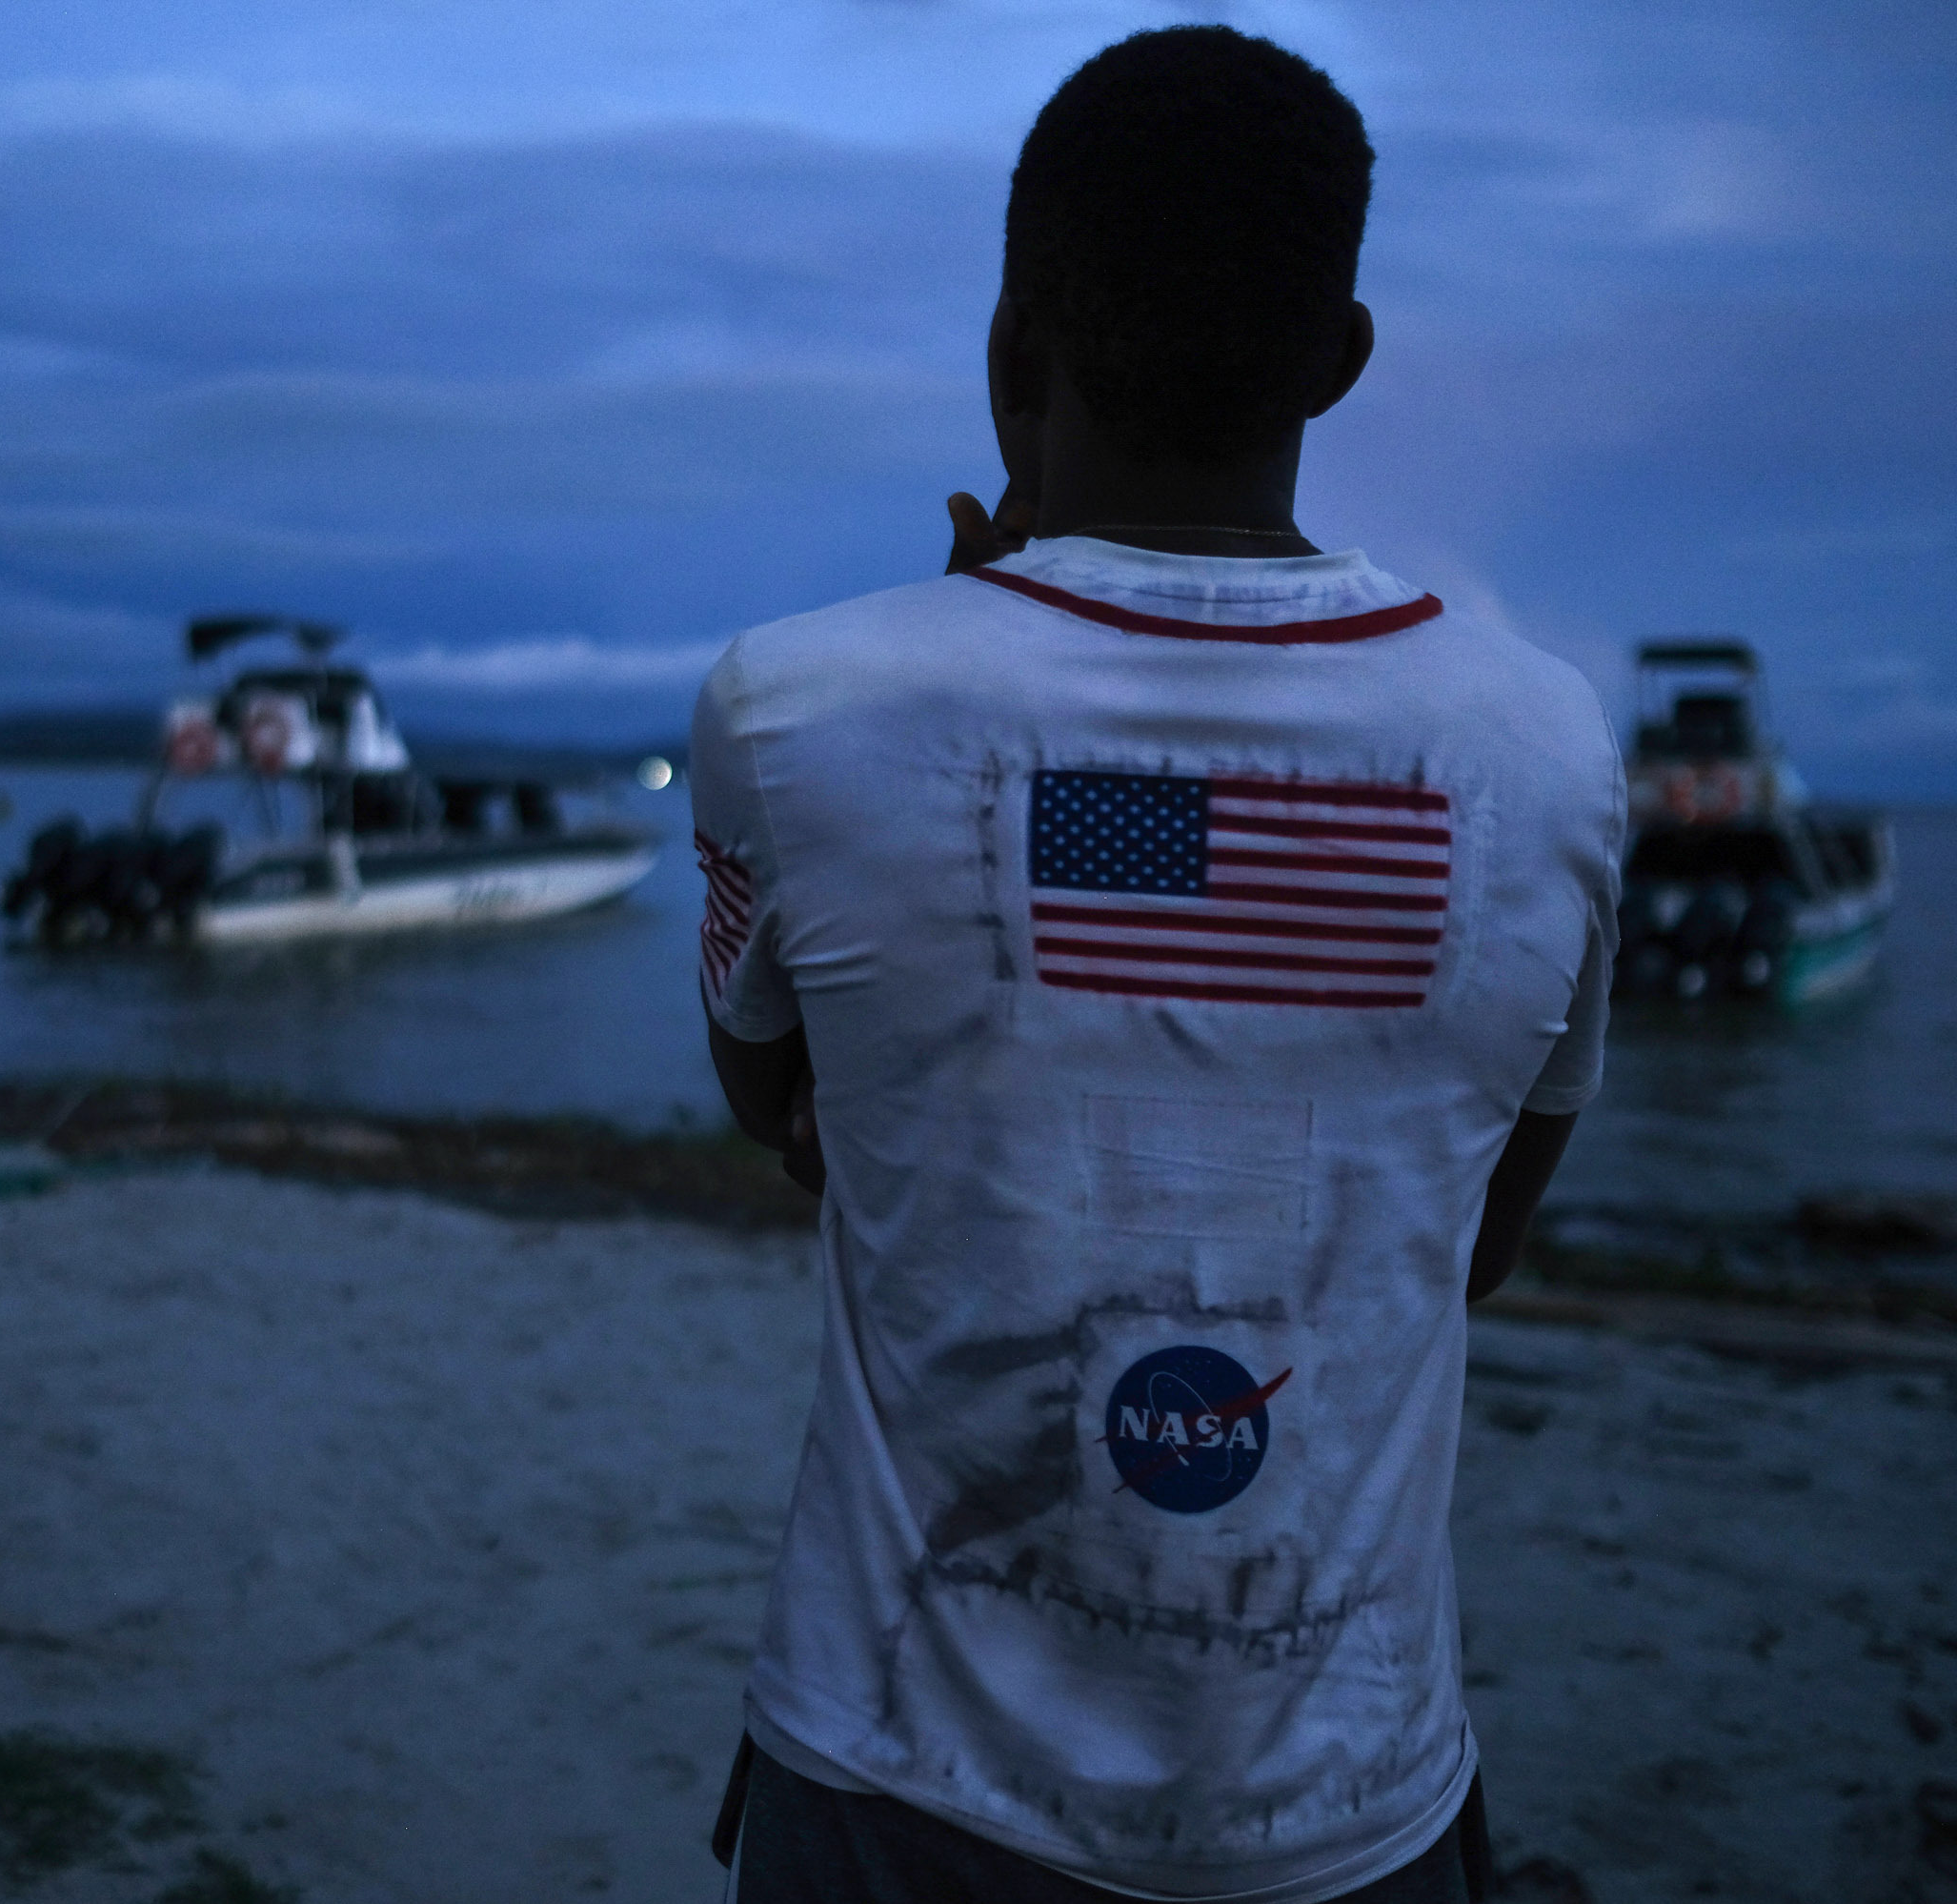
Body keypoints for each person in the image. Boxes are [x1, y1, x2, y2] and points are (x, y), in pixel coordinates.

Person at [691, 26, 1622, 1904]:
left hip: (890, 1786)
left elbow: (780, 1108)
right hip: (1347, 1817)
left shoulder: (797, 711)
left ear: (1009, 351)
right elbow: (1479, 1239)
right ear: (1339, 362)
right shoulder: (1544, 756)